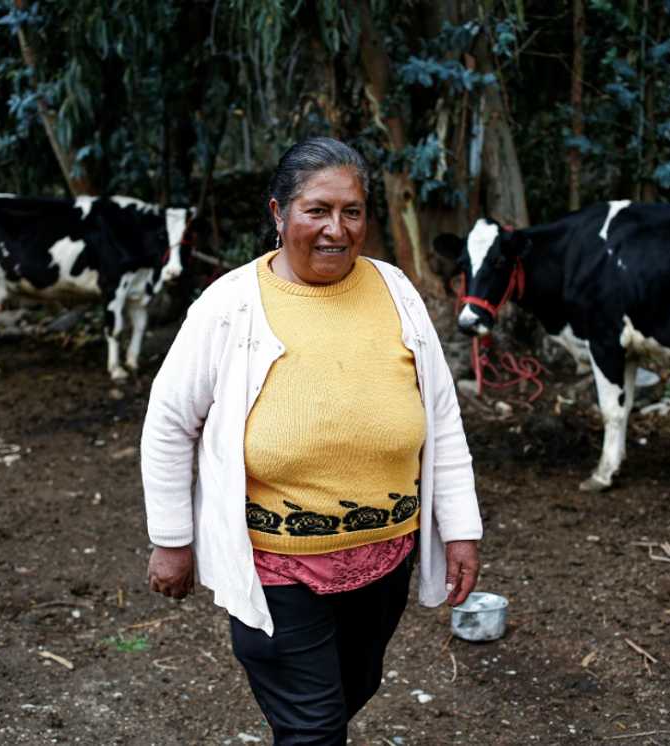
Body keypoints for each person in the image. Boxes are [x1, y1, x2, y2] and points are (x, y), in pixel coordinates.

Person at [141, 136, 482, 745]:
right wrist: (172, 540)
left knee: (354, 690)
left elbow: (442, 420)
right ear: (278, 213)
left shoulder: (396, 290)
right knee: (315, 727)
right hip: (278, 568)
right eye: (316, 210)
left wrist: (459, 529)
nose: (336, 229)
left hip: (385, 560)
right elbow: (170, 422)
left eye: (351, 212)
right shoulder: (229, 305)